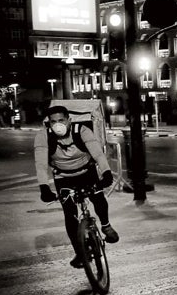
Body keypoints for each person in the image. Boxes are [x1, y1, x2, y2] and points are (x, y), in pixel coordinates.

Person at [34, 105, 119, 268]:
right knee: (69, 213)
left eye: (61, 120)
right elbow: (40, 164)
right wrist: (44, 187)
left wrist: (106, 173)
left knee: (98, 197)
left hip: (87, 172)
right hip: (63, 178)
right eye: (53, 122)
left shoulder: (82, 130)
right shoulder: (43, 136)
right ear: (48, 123)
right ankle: (80, 253)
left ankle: (106, 226)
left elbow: (98, 154)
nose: (57, 124)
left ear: (69, 120)